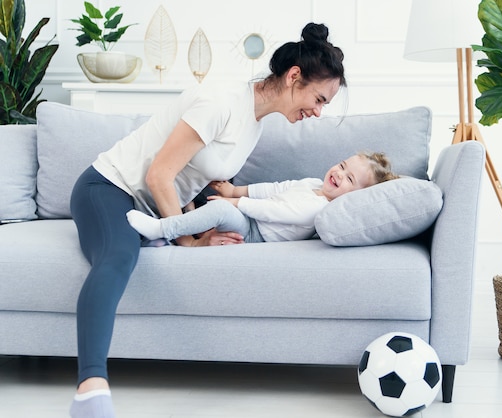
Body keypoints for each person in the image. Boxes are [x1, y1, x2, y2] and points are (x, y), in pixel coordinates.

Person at [68, 22, 346, 418]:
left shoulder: (254, 123)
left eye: (324, 106)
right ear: (294, 77)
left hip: (151, 207)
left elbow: (203, 183)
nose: (317, 112)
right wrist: (188, 240)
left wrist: (214, 224)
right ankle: (90, 393)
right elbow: (159, 175)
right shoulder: (221, 102)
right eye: (319, 99)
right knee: (118, 256)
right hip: (108, 188)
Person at [126, 152, 399, 243]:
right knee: (206, 181)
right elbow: (275, 189)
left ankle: (162, 227)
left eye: (349, 179)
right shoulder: (313, 184)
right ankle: (182, 216)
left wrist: (235, 203)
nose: (339, 174)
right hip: (250, 215)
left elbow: (272, 211)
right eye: (342, 166)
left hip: (256, 232)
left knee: (221, 211)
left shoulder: (319, 210)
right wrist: (235, 191)